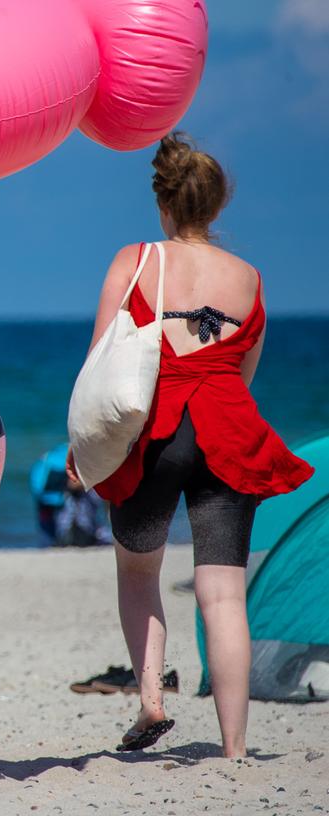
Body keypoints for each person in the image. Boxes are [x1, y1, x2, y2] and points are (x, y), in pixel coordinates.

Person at [69, 133, 313, 757]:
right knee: (224, 592)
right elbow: (243, 373)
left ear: (165, 204)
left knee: (138, 571)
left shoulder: (136, 260)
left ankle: (151, 699)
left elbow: (103, 362)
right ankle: (234, 747)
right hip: (227, 431)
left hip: (155, 432)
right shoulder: (250, 278)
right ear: (216, 205)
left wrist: (83, 446)